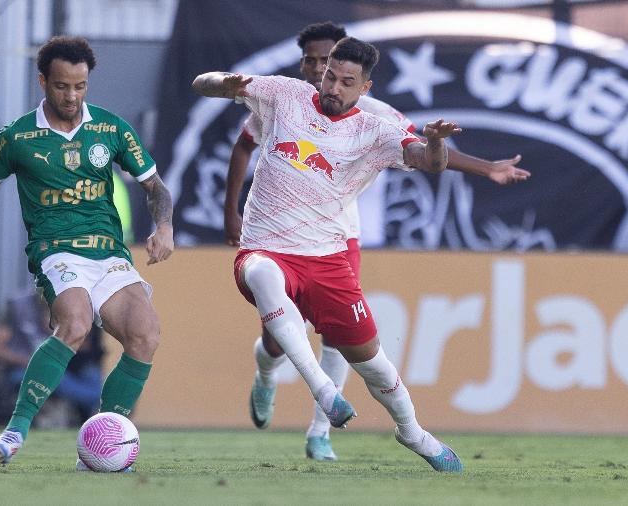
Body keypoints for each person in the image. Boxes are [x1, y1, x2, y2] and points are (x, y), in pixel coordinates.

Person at [225, 22, 530, 462]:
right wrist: (230, 210)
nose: (320, 75)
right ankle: (268, 374)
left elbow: (426, 149)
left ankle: (319, 433)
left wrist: (486, 168)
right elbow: (243, 144)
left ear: (362, 84)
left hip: (337, 233)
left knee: (342, 340)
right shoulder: (283, 99)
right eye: (314, 63)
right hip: (275, 234)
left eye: (331, 68)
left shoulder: (376, 118)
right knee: (274, 337)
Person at [0, 36, 174, 468]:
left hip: (109, 254)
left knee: (146, 335)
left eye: (80, 86)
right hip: (56, 251)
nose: (72, 96)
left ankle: (105, 442)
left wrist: (164, 227)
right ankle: (15, 431)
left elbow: (154, 186)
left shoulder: (111, 128)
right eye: (62, 86)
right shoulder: (18, 137)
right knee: (76, 324)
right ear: (43, 81)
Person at [193, 36, 464, 472]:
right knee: (262, 273)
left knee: (373, 364)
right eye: (329, 76)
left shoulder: (376, 129)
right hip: (266, 247)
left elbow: (431, 162)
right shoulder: (286, 95)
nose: (333, 87)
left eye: (346, 82)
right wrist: (225, 82)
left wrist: (434, 142)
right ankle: (322, 392)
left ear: (366, 88)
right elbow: (202, 84)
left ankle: (414, 433)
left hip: (327, 258)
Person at [0, 291, 104, 425]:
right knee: (61, 381)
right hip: (22, 368)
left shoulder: (70, 305)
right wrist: (30, 361)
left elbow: (84, 347)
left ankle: (96, 418)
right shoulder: (17, 306)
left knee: (92, 374)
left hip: (62, 366)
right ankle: (100, 412)